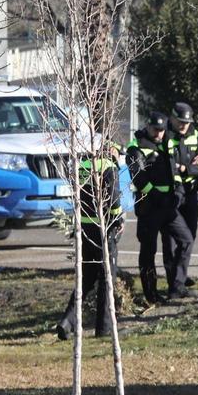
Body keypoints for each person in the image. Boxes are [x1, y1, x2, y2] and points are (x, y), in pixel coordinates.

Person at [56, 142, 124, 339]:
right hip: (103, 230)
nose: (119, 157)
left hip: (85, 228)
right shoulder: (108, 167)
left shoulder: (84, 166)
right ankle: (104, 329)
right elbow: (114, 200)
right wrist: (118, 218)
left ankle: (67, 321)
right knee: (106, 279)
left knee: (86, 278)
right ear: (112, 151)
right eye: (118, 153)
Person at [126, 111, 195, 303]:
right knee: (148, 251)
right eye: (155, 130)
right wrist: (156, 195)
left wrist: (179, 192)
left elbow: (176, 170)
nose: (159, 134)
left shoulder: (168, 143)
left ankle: (177, 286)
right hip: (149, 207)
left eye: (162, 130)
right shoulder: (136, 147)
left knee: (186, 240)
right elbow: (139, 178)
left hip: (169, 206)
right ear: (147, 127)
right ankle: (151, 294)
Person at [162, 102, 198, 292]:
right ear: (172, 118)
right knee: (171, 240)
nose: (184, 125)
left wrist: (186, 168)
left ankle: (180, 275)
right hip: (172, 194)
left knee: (190, 235)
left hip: (190, 193)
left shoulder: (195, 136)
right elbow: (167, 166)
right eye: (180, 121)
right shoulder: (164, 136)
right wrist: (185, 168)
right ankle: (175, 281)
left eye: (187, 122)